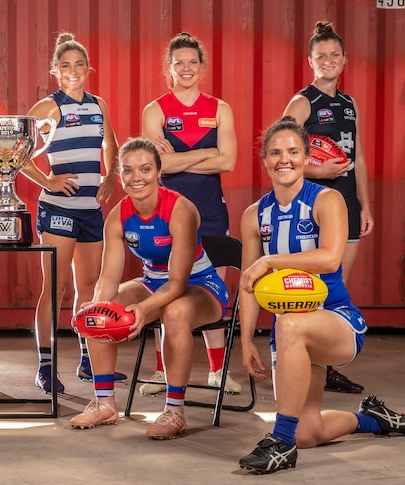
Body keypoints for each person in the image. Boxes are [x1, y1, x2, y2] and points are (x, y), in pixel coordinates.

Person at [237, 117, 405, 474]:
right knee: (309, 431)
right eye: (275, 153)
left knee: (288, 325)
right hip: (292, 337)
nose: (283, 159)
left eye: (292, 152)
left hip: (336, 321)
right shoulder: (254, 215)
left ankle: (280, 444)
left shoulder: (327, 199)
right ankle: (373, 419)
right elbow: (248, 282)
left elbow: (330, 257)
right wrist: (245, 341)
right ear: (264, 160)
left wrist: (270, 260)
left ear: (306, 158)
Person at [68, 138, 229, 440]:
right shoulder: (118, 215)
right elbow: (108, 278)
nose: (136, 177)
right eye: (128, 171)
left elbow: (178, 283)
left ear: (158, 172)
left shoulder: (181, 209)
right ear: (119, 175)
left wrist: (143, 309)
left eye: (145, 169)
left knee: (175, 313)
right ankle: (104, 403)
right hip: (153, 281)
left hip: (201, 285)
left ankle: (174, 410)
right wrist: (95, 306)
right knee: (101, 309)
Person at [140, 32, 241, 396]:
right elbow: (155, 168)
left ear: (202, 68)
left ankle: (217, 370)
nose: (186, 68)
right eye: (178, 62)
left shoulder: (220, 109)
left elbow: (228, 161)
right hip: (164, 213)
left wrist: (177, 160)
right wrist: (206, 153)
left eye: (192, 62)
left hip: (211, 211)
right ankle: (159, 371)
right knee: (162, 285)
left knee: (211, 287)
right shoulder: (155, 110)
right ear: (169, 69)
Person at [22, 32, 121, 393]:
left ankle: (86, 359)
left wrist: (110, 178)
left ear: (88, 69)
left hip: (90, 210)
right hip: (59, 209)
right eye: (66, 66)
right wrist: (47, 181)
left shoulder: (98, 104)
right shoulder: (50, 107)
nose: (73, 71)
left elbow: (111, 143)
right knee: (56, 287)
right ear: (55, 71)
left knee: (90, 287)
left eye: (79, 65)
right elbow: (16, 149)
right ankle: (46, 366)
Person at [282, 21, 373, 394]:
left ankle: (327, 365)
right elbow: (282, 151)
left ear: (345, 60)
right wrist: (317, 169)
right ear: (311, 61)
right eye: (322, 56)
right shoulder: (303, 101)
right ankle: (303, 360)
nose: (329, 61)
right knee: (313, 284)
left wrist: (365, 205)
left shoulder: (349, 103)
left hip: (347, 202)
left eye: (335, 55)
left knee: (337, 285)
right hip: (315, 204)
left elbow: (359, 157)